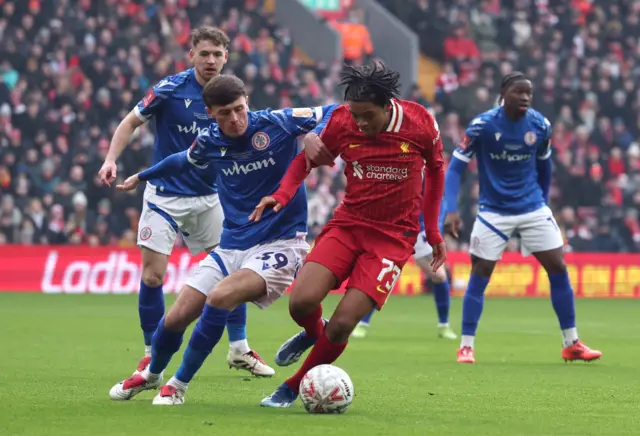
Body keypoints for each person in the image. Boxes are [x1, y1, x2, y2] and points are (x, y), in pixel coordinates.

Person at [108, 74, 338, 405]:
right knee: (176, 317)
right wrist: (143, 177)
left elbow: (336, 111)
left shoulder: (279, 122)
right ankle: (151, 375)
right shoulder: (209, 140)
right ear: (210, 113)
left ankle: (178, 385)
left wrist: (316, 134)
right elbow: (182, 161)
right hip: (232, 245)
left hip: (282, 243)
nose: (234, 119)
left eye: (239, 109)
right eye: (225, 113)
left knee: (220, 297)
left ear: (247, 103)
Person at [254, 61, 446, 408]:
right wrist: (281, 195)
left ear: (388, 107)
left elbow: (436, 170)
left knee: (343, 324)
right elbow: (304, 161)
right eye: (355, 115)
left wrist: (432, 230)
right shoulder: (343, 121)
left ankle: (293, 387)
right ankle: (315, 332)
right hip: (349, 224)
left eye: (367, 115)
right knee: (300, 302)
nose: (359, 123)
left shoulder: (420, 123)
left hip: (393, 238)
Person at [97, 26, 272, 377]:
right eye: (204, 53)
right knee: (152, 276)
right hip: (165, 196)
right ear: (191, 55)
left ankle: (238, 349)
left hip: (210, 199)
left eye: (217, 54)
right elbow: (131, 122)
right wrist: (111, 159)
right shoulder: (170, 89)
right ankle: (151, 352)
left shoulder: (230, 95)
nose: (210, 60)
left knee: (234, 273)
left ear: (226, 57)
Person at [442, 72, 602, 364]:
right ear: (504, 93)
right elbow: (454, 169)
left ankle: (572, 343)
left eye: (529, 92)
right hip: (493, 212)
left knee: (558, 267)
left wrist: (541, 201)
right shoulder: (482, 126)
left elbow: (545, 166)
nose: (526, 97)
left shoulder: (540, 125)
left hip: (532, 208)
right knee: (480, 274)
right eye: (519, 92)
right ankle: (466, 346)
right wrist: (450, 208)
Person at [351, 212, 456, 340]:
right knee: (385, 275)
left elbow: (436, 202)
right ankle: (362, 323)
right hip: (398, 226)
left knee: (439, 276)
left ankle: (444, 325)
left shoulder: (434, 194)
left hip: (421, 228)